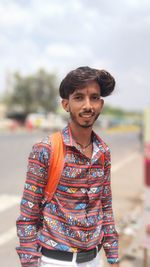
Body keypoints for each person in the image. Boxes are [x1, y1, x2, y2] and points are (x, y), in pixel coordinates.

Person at [16, 66, 119, 267]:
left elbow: (106, 208)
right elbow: (28, 215)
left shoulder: (103, 153)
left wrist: (113, 259)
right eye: (79, 97)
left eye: (94, 97)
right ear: (66, 104)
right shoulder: (46, 150)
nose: (88, 106)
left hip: (94, 260)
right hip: (56, 261)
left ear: (101, 104)